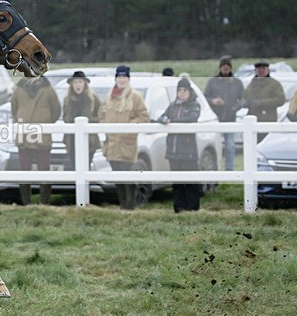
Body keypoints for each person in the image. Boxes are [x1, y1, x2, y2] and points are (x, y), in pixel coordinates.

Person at [98, 65, 150, 210]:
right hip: (112, 144)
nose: (121, 80)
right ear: (116, 79)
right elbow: (101, 115)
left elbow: (143, 117)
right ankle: (122, 204)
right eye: (119, 77)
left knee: (128, 175)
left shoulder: (135, 97)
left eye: (124, 78)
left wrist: (127, 126)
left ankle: (130, 205)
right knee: (117, 176)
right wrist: (105, 127)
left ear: (128, 79)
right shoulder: (109, 97)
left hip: (126, 143)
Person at [11, 76, 61, 205]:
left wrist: (45, 121)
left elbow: (56, 111)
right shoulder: (18, 89)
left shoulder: (48, 89)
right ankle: (26, 202)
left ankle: (44, 202)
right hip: (24, 138)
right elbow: (14, 110)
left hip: (42, 138)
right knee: (24, 171)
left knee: (44, 170)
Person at [158, 78, 202, 212]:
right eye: (180, 90)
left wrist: (173, 121)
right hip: (173, 150)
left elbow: (192, 118)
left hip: (188, 150)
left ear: (189, 91)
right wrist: (164, 120)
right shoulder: (172, 105)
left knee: (190, 181)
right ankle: (178, 207)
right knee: (177, 182)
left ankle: (192, 208)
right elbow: (162, 117)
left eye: (184, 90)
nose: (182, 93)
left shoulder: (194, 105)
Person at [203, 55, 245, 170]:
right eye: (223, 66)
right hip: (215, 118)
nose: (225, 68)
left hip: (230, 118)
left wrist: (235, 108)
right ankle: (214, 169)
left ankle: (229, 170)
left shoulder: (237, 83)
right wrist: (213, 101)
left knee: (230, 146)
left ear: (230, 68)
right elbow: (204, 97)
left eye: (227, 66)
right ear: (220, 68)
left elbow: (243, 99)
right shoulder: (212, 81)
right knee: (215, 146)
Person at [237, 61, 285, 143]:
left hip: (268, 120)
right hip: (252, 119)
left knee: (267, 144)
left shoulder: (274, 84)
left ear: (268, 70)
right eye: (259, 69)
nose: (261, 71)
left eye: (263, 68)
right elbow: (243, 97)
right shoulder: (252, 84)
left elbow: (280, 99)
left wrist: (261, 103)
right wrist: (244, 103)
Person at [62, 70, 101, 169]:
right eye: (75, 82)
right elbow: (65, 117)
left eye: (80, 82)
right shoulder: (67, 100)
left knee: (86, 167)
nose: (77, 85)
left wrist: (89, 122)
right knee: (75, 167)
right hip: (72, 140)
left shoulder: (93, 99)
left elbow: (101, 116)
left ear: (85, 84)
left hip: (89, 141)